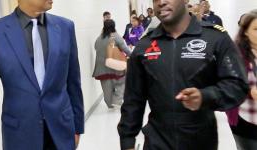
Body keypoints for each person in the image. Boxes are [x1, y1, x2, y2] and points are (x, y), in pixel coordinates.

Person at [118, 0, 249, 150]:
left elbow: (237, 85)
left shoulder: (215, 38)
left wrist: (205, 96)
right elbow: (133, 99)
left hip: (201, 141)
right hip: (157, 140)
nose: (161, 2)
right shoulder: (145, 45)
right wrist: (127, 141)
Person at [0, 0, 84, 150]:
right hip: (19, 136)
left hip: (62, 133)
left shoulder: (65, 27)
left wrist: (77, 128)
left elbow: (73, 83)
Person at [228, 10, 257, 150]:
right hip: (246, 120)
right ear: (245, 31)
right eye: (256, 29)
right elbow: (227, 84)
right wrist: (250, 92)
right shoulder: (236, 54)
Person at [93, 19, 131, 109]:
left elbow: (95, 47)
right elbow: (126, 49)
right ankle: (117, 100)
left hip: (101, 67)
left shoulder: (99, 38)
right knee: (122, 82)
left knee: (106, 87)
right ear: (114, 26)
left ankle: (109, 104)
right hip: (115, 66)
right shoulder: (115, 36)